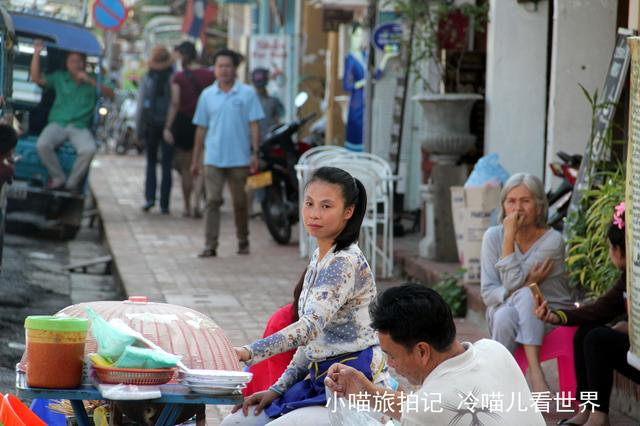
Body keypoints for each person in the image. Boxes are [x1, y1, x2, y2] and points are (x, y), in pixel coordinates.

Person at [221, 166, 390, 425]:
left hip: (353, 388)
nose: (314, 214)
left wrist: (248, 351)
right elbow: (314, 345)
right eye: (309, 203)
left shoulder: (343, 262)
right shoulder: (321, 256)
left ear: (348, 212)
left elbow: (308, 329)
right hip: (319, 381)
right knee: (234, 422)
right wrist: (277, 389)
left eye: (326, 206)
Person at [324, 283, 545, 425]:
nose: (390, 365)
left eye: (392, 356)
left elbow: (424, 408)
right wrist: (368, 391)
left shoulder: (424, 409)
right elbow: (428, 405)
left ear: (422, 351)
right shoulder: (494, 350)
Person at [535, 202, 640, 426]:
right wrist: (556, 317)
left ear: (620, 250)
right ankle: (587, 410)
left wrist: (629, 330)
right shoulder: (628, 278)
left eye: (611, 247)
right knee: (587, 332)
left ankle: (599, 418)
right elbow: (600, 310)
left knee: (597, 339)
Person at [480, 173, 574, 392]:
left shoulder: (552, 240)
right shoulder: (493, 237)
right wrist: (508, 238)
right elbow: (488, 293)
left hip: (549, 313)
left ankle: (501, 385)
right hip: (505, 311)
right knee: (507, 310)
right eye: (511, 201)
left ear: (539, 206)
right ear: (503, 206)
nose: (517, 208)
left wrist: (509, 238)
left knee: (523, 296)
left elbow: (511, 282)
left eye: (525, 201)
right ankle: (529, 376)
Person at [191, 48, 264, 257]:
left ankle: (243, 240)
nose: (224, 70)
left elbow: (254, 125)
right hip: (212, 158)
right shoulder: (207, 95)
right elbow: (201, 129)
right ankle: (210, 244)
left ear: (235, 69)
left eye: (228, 66)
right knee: (212, 201)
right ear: (214, 69)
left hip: (239, 158)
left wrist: (255, 153)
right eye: (220, 66)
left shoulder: (247, 93)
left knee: (240, 203)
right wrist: (196, 160)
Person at [30, 39, 114, 193]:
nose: (76, 64)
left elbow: (110, 93)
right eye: (73, 61)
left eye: (79, 61)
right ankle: (58, 177)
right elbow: (36, 78)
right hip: (58, 122)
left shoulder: (93, 80)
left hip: (80, 126)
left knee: (89, 150)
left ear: (84, 63)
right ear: (67, 63)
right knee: (42, 144)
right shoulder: (60, 77)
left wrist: (90, 81)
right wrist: (36, 53)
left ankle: (72, 184)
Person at [163, 41, 214, 218]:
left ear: (183, 56)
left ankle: (186, 206)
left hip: (184, 123)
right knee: (199, 165)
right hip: (206, 123)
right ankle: (197, 203)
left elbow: (175, 102)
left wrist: (168, 126)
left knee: (186, 167)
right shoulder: (209, 75)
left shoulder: (178, 77)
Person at [137, 45, 174, 214]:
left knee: (152, 163)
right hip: (167, 127)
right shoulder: (173, 77)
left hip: (154, 126)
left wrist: (139, 130)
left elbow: (141, 105)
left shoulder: (148, 78)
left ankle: (151, 199)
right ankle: (163, 203)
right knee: (165, 165)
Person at [250, 68, 284, 143]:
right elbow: (278, 120)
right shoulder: (273, 100)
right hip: (265, 142)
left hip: (267, 141)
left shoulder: (273, 99)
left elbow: (278, 120)